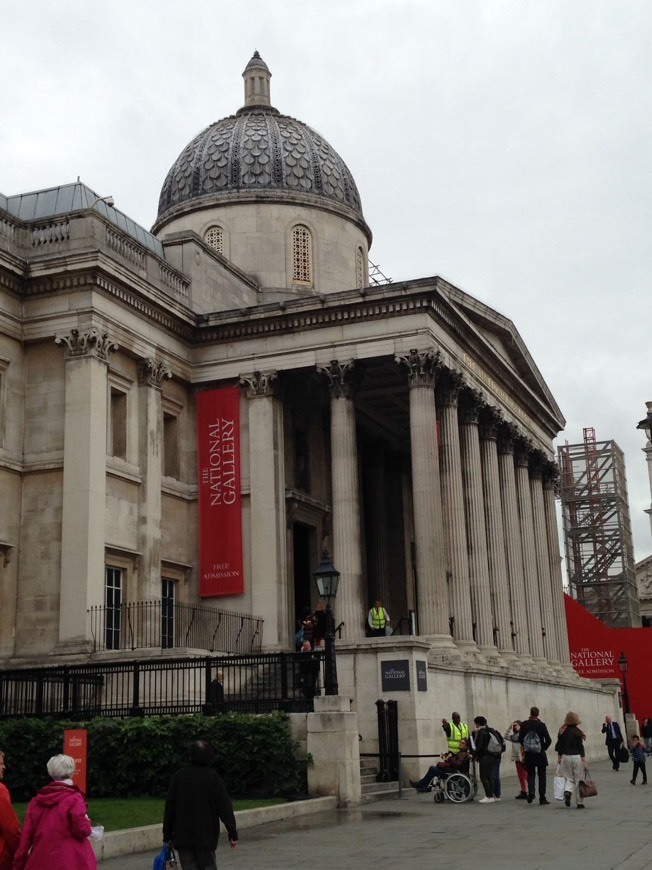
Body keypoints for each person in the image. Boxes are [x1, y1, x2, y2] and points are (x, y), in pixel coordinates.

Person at [163, 739, 238, 870]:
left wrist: (167, 834)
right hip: (206, 836)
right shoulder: (213, 778)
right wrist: (232, 832)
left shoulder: (178, 777)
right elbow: (225, 807)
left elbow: (170, 807)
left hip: (183, 836)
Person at [13, 754, 96, 870]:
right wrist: (87, 823)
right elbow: (81, 829)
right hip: (71, 860)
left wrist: (18, 863)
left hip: (41, 859)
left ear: (51, 773)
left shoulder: (36, 801)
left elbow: (26, 836)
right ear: (72, 772)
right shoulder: (75, 798)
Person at [518, 705, 552, 805]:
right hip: (540, 754)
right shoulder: (541, 725)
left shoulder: (524, 724)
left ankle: (531, 793)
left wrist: (526, 747)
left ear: (530, 713)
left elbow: (520, 739)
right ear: (538, 714)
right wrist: (543, 748)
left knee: (531, 774)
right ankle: (542, 798)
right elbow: (549, 740)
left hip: (529, 754)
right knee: (542, 776)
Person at [555, 711, 588, 809]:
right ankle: (579, 802)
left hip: (565, 756)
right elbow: (580, 747)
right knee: (579, 779)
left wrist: (559, 757)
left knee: (569, 777)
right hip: (576, 756)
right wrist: (584, 759)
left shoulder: (562, 731)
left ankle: (568, 792)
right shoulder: (578, 732)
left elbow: (559, 745)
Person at [472, 716, 505, 803]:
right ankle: (492, 796)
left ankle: (488, 796)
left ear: (478, 723)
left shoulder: (481, 732)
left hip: (485, 757)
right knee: (490, 777)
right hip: (492, 756)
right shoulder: (490, 730)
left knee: (483, 777)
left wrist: (473, 755)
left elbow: (479, 746)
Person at [0, 751, 20, 870]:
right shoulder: (1, 791)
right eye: (1, 763)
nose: (4, 767)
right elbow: (11, 829)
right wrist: (20, 852)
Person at [504, 720, 529, 799]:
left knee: (525, 774)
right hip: (517, 758)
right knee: (521, 775)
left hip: (523, 756)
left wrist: (520, 728)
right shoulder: (513, 736)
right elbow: (505, 736)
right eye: (514, 726)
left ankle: (528, 790)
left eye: (516, 725)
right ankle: (524, 790)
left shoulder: (523, 734)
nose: (515, 727)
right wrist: (509, 727)